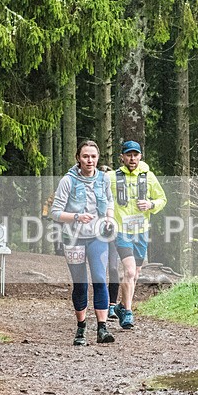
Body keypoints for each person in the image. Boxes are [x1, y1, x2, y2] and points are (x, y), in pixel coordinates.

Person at [50, 140, 116, 346]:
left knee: (99, 278)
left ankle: (102, 328)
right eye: (86, 156)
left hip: (98, 236)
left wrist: (109, 218)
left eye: (93, 156)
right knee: (80, 283)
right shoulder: (67, 181)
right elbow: (55, 213)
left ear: (98, 158)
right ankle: (81, 329)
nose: (90, 160)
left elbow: (109, 202)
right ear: (78, 158)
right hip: (74, 238)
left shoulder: (104, 179)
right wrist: (77, 217)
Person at [107, 140, 167, 329]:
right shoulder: (111, 177)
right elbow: (102, 198)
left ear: (140, 156)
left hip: (141, 231)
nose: (132, 158)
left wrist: (151, 205)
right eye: (128, 155)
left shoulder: (148, 176)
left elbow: (162, 198)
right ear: (122, 157)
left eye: (135, 154)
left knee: (135, 274)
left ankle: (120, 307)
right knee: (130, 271)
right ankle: (128, 313)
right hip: (121, 231)